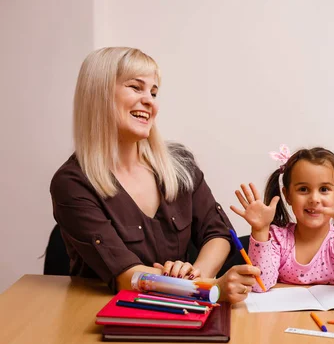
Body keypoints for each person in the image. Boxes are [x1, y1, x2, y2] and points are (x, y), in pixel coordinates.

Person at [50, 47, 259, 303]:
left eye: (154, 92)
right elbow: (126, 276)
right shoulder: (72, 183)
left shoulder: (180, 164)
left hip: (184, 312)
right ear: (99, 94)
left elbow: (218, 233)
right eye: (136, 88)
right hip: (105, 320)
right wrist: (206, 288)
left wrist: (198, 274)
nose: (150, 101)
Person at [230, 146, 334, 292]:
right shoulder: (278, 239)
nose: (314, 199)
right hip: (288, 314)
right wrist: (260, 230)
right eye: (303, 189)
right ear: (288, 195)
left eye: (324, 189)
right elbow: (260, 285)